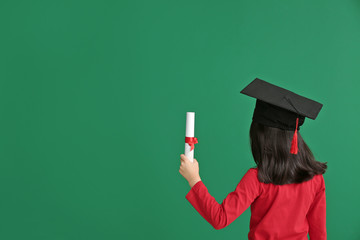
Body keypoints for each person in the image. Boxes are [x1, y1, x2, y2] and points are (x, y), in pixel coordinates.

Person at [179, 78, 327, 240]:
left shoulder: (258, 178)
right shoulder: (316, 178)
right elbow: (319, 234)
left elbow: (220, 218)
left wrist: (194, 179)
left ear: (261, 138)